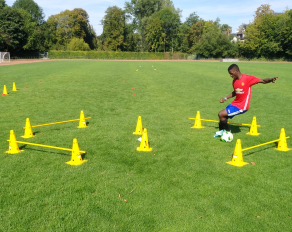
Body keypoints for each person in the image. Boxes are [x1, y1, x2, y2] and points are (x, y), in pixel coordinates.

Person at [214, 64, 278, 137]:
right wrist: (225, 98)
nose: (230, 75)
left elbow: (262, 80)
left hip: (242, 106)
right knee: (223, 117)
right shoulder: (234, 81)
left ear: (237, 71)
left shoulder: (248, 78)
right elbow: (235, 91)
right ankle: (221, 131)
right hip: (235, 104)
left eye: (231, 73)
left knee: (221, 114)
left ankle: (228, 133)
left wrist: (270, 79)